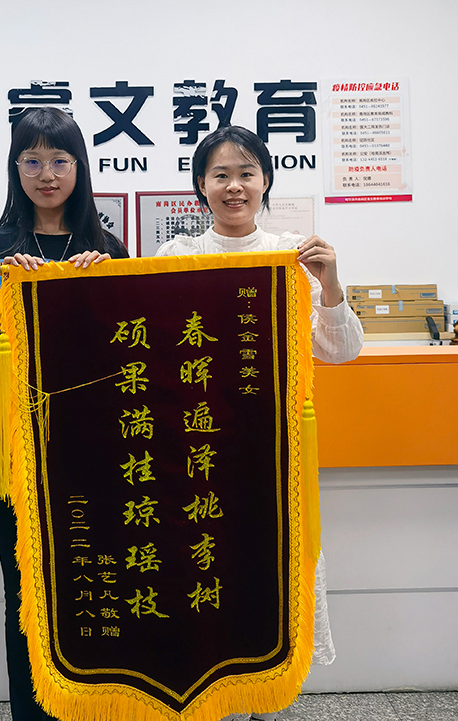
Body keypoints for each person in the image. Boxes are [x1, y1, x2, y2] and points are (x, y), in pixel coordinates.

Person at [0, 107, 128, 720]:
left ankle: (100, 709)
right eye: (32, 160)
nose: (47, 174)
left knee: (100, 585)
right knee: (27, 596)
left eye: (60, 160)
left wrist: (110, 294)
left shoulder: (107, 249)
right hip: (16, 453)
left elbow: (138, 359)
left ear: (80, 167)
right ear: (15, 169)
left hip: (97, 453)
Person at [156, 125, 364, 721]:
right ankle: (210, 693)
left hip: (273, 450)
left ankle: (267, 696)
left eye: (246, 173)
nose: (234, 186)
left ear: (266, 181)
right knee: (203, 563)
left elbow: (341, 350)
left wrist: (329, 283)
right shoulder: (175, 258)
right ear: (200, 186)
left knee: (268, 569)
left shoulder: (292, 255)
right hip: (195, 447)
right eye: (220, 175)